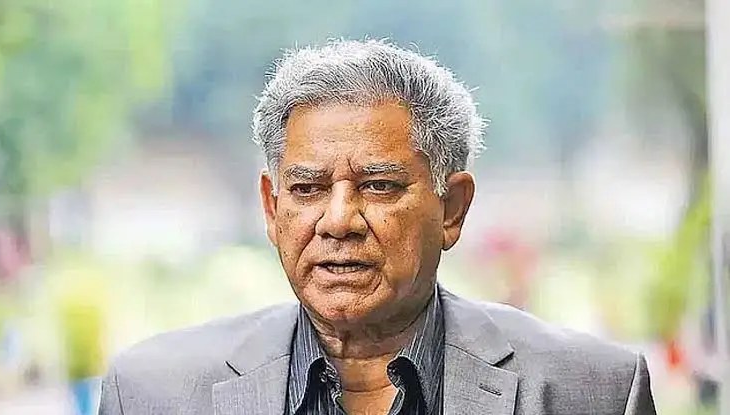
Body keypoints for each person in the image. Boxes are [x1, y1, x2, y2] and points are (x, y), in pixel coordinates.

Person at [99, 39, 656, 415]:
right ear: (271, 208)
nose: (339, 220)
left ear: (453, 209)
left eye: (380, 186)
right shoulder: (155, 394)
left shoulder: (592, 392)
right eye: (308, 189)